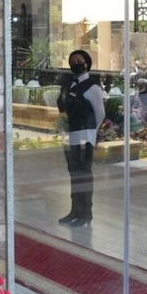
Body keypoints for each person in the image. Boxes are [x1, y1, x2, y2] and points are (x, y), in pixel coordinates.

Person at [56, 49, 105, 227]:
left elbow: (100, 113)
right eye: (72, 61)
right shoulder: (69, 85)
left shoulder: (93, 87)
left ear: (87, 63)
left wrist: (91, 133)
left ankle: (86, 214)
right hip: (71, 136)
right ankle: (75, 210)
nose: (75, 64)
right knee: (74, 174)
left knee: (84, 174)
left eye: (79, 61)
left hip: (85, 136)